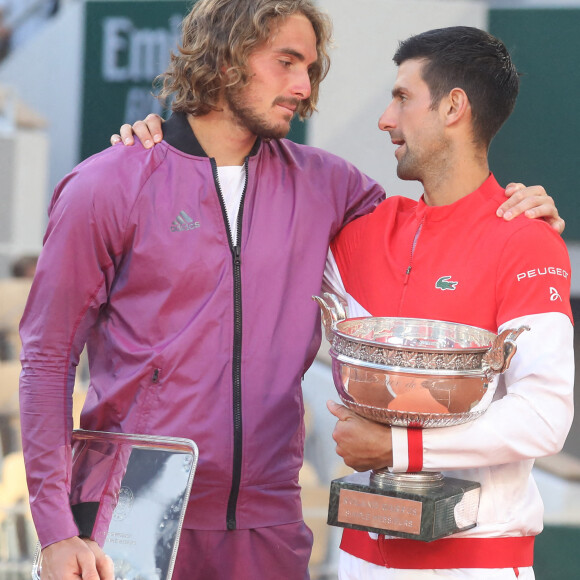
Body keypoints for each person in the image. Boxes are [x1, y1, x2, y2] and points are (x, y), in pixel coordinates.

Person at [20, 1, 562, 579]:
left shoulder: (329, 185)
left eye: (310, 67)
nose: (303, 86)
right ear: (226, 59)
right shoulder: (108, 184)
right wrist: (55, 531)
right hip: (133, 508)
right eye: (286, 62)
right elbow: (48, 358)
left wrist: (518, 211)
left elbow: (437, 228)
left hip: (269, 519)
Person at [322, 26, 573, 579]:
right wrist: (156, 143)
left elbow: (544, 417)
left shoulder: (525, 239)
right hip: (359, 562)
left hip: (473, 565)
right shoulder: (360, 232)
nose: (386, 118)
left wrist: (401, 448)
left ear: (454, 106)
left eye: (403, 97)